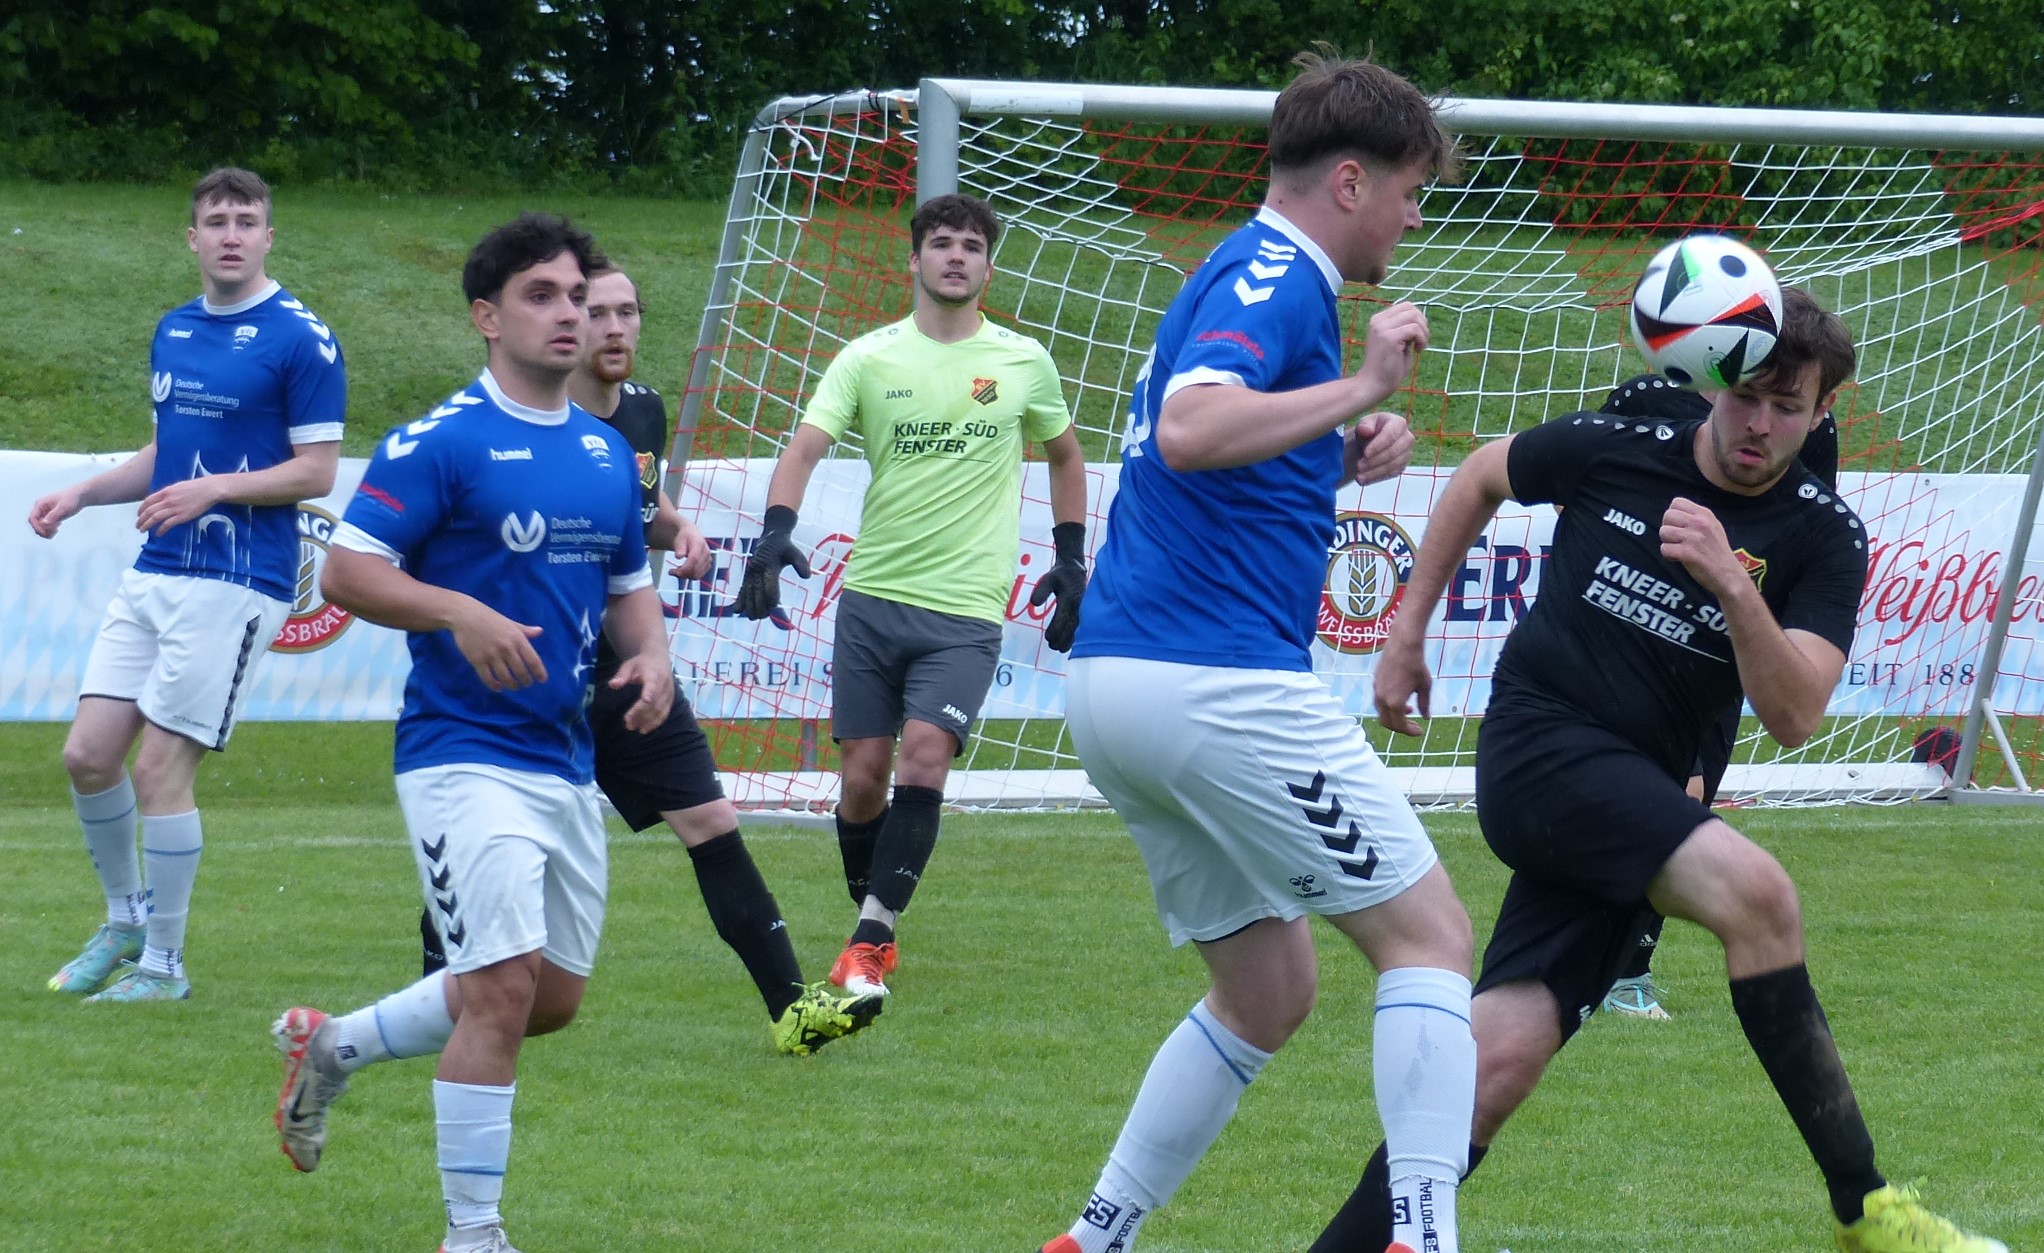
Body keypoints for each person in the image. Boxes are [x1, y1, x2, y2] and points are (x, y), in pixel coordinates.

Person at [1311, 287, 2005, 1253]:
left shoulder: (1823, 534)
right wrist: (1405, 634)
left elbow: (1795, 714)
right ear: (1714, 381)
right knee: (1761, 897)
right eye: (1745, 396)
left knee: (1491, 1071)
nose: (1759, 423)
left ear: (1823, 413)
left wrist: (1732, 583)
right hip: (1540, 750)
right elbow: (1478, 475)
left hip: (1639, 795)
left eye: (1788, 406)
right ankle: (1866, 1208)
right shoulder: (1621, 444)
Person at [1038, 52, 1478, 1253]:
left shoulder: (1236, 268)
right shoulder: (1280, 272)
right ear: (1351, 181)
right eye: (1409, 192)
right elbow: (1191, 427)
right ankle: (1424, 1237)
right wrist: (1362, 383)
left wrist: (1331, 447)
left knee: (1267, 991)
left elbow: (1203, 457)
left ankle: (1093, 1236)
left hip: (1123, 686)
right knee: (1430, 938)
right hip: (1212, 679)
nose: (1412, 218)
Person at [269, 214, 669, 1253]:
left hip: (564, 759)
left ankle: (337, 1044)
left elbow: (629, 584)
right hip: (459, 751)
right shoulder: (441, 440)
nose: (570, 313)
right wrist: (459, 610)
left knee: (550, 999)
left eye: (577, 294)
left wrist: (654, 655)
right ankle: (474, 1233)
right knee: (497, 989)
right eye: (542, 295)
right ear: (487, 317)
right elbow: (346, 570)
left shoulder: (605, 451)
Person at [415, 262, 880, 1056]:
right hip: (530, 676)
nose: (614, 327)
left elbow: (639, 500)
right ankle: (434, 1002)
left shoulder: (642, 410)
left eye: (627, 311)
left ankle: (793, 1010)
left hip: (629, 669)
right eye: (597, 311)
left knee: (711, 820)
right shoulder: (522, 426)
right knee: (491, 846)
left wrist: (679, 527)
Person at [735, 192, 1088, 1000]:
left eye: (971, 245)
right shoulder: (869, 358)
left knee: (924, 756)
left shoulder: (1022, 360)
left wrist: (1072, 559)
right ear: (915, 259)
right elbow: (805, 446)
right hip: (872, 598)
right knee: (863, 777)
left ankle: (868, 940)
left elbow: (1066, 455)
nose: (956, 255)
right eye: (941, 242)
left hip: (967, 607)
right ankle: (874, 914)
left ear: (988, 268)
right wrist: (774, 529)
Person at [31, 167, 345, 1002]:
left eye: (246, 219)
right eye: (217, 220)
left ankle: (164, 968)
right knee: (88, 755)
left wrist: (214, 489)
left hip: (238, 580)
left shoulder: (302, 338)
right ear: (193, 237)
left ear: (269, 236)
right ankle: (124, 922)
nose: (231, 233)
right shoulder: (173, 329)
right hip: (158, 567)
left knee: (160, 771)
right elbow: (163, 454)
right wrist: (83, 492)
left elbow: (316, 470)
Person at [1593, 372, 1841, 1021]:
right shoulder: (1643, 400)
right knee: (1613, 796)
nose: (1761, 420)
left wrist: (1741, 604)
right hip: (1625, 628)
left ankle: (1628, 970)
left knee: (1687, 796)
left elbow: (1804, 543)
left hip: (1720, 645)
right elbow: (1582, 501)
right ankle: (1599, 964)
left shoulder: (1809, 430)